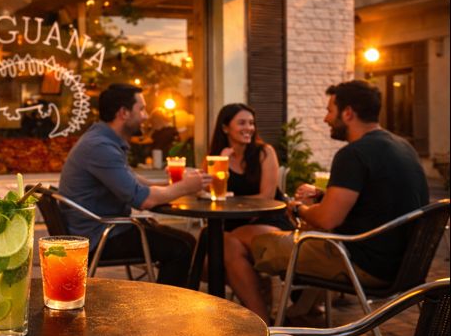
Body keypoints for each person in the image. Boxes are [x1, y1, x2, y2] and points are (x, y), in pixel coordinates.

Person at [228, 80, 429, 322]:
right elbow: (378, 199)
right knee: (290, 236)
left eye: (330, 111)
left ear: (348, 113)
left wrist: (298, 209)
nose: (326, 119)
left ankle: (261, 326)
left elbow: (326, 219)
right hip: (405, 266)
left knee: (234, 240)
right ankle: (301, 312)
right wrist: (325, 197)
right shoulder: (403, 147)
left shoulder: (353, 154)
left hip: (359, 263)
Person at [59, 83, 211, 287]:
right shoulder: (101, 146)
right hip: (100, 236)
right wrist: (186, 187)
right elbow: (144, 200)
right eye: (142, 109)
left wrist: (175, 183)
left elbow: (136, 182)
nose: (146, 116)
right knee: (181, 246)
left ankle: (184, 299)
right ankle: (167, 305)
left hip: (102, 228)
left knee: (185, 241)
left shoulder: (102, 140)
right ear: (124, 113)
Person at [206, 104, 293, 315]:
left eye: (252, 123)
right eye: (242, 123)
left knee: (223, 245)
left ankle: (259, 317)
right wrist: (222, 163)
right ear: (225, 128)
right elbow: (210, 195)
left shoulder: (264, 152)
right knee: (205, 260)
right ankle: (260, 313)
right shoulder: (216, 158)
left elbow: (266, 197)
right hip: (232, 224)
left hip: (268, 219)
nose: (249, 128)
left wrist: (231, 200)